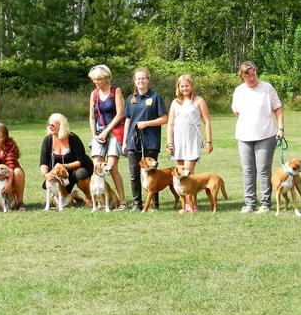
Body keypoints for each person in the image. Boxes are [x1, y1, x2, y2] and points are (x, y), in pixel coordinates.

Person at [231, 61, 284, 214]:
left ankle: (266, 203)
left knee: (263, 170)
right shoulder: (239, 91)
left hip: (266, 135)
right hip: (244, 136)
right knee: (248, 170)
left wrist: (281, 128)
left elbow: (278, 109)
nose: (252, 78)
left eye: (254, 75)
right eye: (248, 76)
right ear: (242, 76)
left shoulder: (267, 88)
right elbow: (237, 112)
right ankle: (249, 203)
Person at [122, 67, 168, 211]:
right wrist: (124, 140)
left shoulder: (155, 98)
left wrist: (146, 123)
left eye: (143, 78)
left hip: (151, 140)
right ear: (134, 81)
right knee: (134, 173)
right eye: (138, 78)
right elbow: (128, 120)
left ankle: (154, 205)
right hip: (133, 141)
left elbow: (164, 118)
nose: (140, 81)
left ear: (148, 80)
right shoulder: (131, 99)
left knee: (152, 173)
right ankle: (137, 204)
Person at [166, 74, 213, 212]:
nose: (184, 88)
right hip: (178, 142)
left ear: (191, 86)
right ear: (178, 88)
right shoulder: (175, 102)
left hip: (192, 141)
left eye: (187, 85)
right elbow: (170, 124)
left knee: (188, 174)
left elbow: (207, 121)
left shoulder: (199, 101)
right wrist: (169, 143)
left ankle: (192, 206)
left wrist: (209, 141)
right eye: (182, 86)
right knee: (180, 174)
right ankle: (187, 205)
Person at [87, 64, 127, 210]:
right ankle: (99, 201)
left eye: (98, 79)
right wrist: (94, 135)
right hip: (99, 132)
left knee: (111, 167)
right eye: (94, 79)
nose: (96, 82)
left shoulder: (115, 91)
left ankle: (122, 201)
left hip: (114, 132)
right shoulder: (94, 94)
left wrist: (107, 131)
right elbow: (92, 117)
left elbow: (120, 114)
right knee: (96, 166)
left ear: (106, 78)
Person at [39, 113, 93, 203]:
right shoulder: (47, 141)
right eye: (49, 125)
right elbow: (43, 163)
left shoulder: (73, 138)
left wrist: (65, 166)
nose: (50, 127)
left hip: (77, 168)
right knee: (49, 187)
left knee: (81, 174)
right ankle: (72, 195)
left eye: (52, 125)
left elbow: (81, 161)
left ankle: (89, 198)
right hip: (61, 173)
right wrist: (46, 175)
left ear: (61, 126)